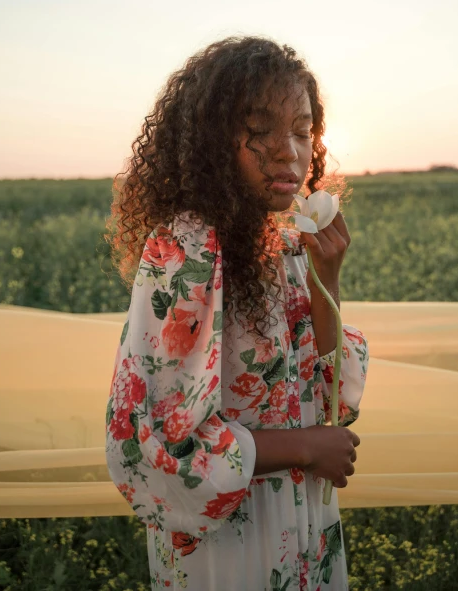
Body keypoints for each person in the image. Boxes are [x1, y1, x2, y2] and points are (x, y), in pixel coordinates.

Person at [105, 35, 369, 590]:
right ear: (210, 140)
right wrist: (302, 446)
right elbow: (151, 441)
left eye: (301, 130)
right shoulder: (188, 251)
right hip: (228, 548)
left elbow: (328, 404)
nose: (288, 151)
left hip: (306, 529)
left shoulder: (288, 245)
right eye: (260, 128)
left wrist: (329, 279)